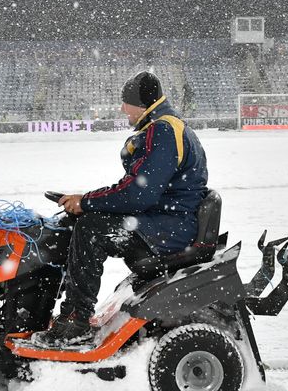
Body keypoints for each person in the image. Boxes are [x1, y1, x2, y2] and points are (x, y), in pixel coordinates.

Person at [33, 72, 209, 347]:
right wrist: (84, 202)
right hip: (165, 219)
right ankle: (64, 312)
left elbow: (139, 193)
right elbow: (136, 189)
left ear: (141, 104)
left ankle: (76, 322)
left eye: (125, 102)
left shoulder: (162, 129)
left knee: (91, 229)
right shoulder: (162, 126)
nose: (122, 109)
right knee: (78, 221)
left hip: (170, 226)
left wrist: (87, 202)